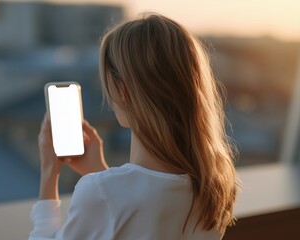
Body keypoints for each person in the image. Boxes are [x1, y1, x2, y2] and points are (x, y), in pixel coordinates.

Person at [29, 12, 238, 240]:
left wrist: (50, 172)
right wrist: (99, 171)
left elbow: (125, 206)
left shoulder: (99, 192)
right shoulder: (215, 186)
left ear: (123, 90)